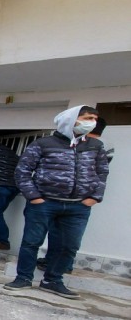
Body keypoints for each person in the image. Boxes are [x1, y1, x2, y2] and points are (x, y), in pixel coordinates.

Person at [4, 105, 109, 299]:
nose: (91, 122)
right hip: (44, 203)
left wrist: (94, 197)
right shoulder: (43, 143)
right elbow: (23, 171)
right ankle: (23, 278)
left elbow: (102, 172)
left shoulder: (95, 146)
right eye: (87, 118)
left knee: (69, 245)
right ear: (71, 119)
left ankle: (52, 281)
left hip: (78, 206)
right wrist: (34, 197)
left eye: (94, 118)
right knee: (31, 242)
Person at [37, 116, 113, 273]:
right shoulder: (107, 145)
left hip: (73, 198)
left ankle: (57, 264)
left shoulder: (94, 145)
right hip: (81, 197)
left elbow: (97, 171)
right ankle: (61, 264)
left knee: (60, 233)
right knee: (68, 236)